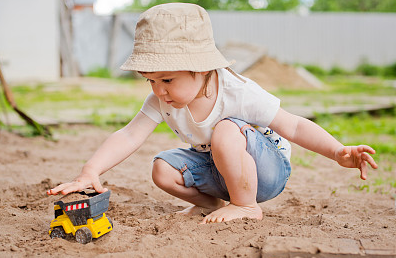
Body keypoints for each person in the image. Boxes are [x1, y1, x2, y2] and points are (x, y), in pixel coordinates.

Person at [47, 3, 378, 224]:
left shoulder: (237, 91)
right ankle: (214, 203)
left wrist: (338, 151)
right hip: (217, 170)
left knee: (225, 130)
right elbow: (130, 134)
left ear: (202, 69)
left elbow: (291, 124)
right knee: (162, 168)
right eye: (150, 80)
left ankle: (246, 205)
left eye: (167, 79)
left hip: (264, 170)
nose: (158, 90)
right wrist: (91, 169)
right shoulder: (162, 100)